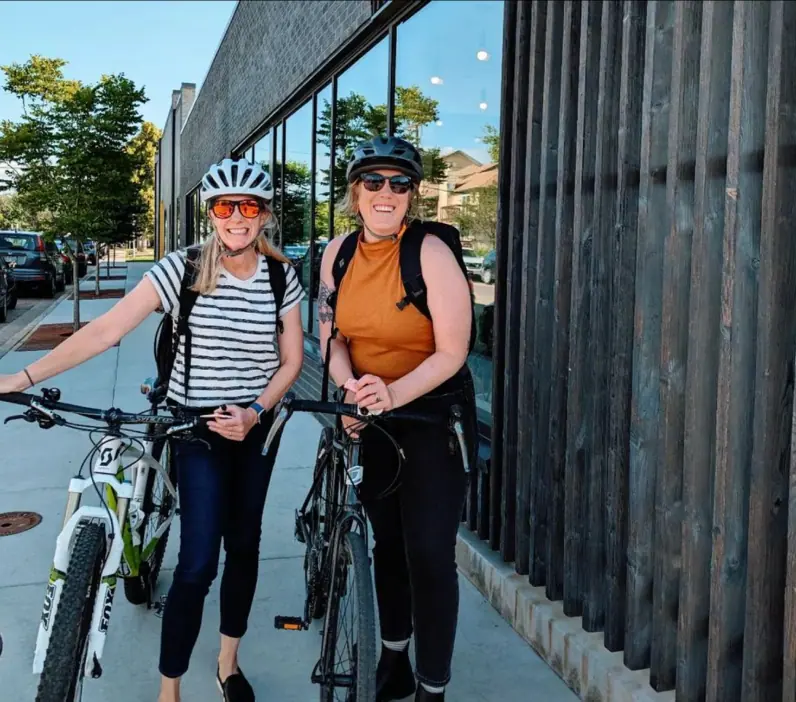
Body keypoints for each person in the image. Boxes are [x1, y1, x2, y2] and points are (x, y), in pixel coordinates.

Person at [0, 157, 305, 702]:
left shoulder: (282, 275)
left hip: (257, 425)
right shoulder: (180, 269)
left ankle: (227, 665)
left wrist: (256, 411)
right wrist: (20, 375)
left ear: (265, 216)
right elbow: (107, 330)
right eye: (224, 206)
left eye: (250, 206)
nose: (237, 216)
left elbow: (290, 361)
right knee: (197, 563)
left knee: (246, 546)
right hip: (195, 428)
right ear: (211, 213)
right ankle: (170, 691)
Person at [317, 135, 479, 702]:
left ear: (412, 194)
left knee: (430, 554)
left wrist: (391, 395)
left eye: (399, 183)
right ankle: (392, 659)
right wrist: (351, 390)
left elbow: (453, 350)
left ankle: (432, 688)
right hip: (374, 413)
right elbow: (333, 338)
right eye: (373, 182)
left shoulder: (430, 251)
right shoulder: (337, 253)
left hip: (434, 413)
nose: (386, 193)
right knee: (387, 542)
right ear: (354, 192)